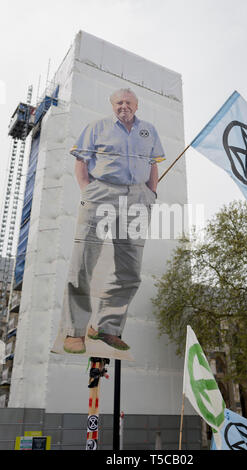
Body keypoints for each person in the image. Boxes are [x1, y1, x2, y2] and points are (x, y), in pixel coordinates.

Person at [60, 88, 165, 353]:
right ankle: (75, 332)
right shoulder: (97, 127)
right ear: (112, 105)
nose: (123, 106)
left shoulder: (149, 131)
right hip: (101, 193)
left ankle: (108, 328)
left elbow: (153, 163)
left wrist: (151, 193)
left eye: (128, 102)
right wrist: (88, 190)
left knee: (129, 270)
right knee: (83, 262)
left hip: (137, 198)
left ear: (136, 106)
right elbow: (81, 161)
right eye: (119, 102)